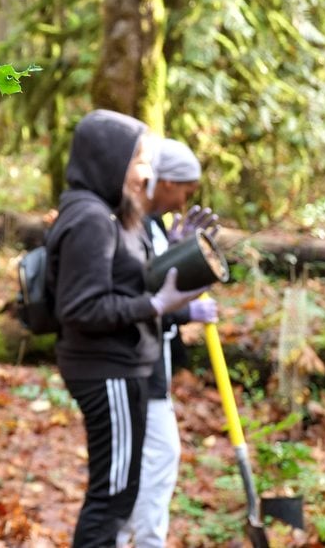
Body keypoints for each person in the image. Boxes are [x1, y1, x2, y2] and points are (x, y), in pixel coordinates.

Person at [46, 111, 208, 547]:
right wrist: (154, 305)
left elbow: (133, 277)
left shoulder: (114, 215)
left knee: (122, 492)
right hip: (106, 370)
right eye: (139, 159)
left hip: (126, 367)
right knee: (112, 497)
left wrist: (177, 256)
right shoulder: (90, 219)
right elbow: (82, 307)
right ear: (110, 158)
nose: (146, 173)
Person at [118, 139, 219, 547]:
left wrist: (180, 254)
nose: (184, 200)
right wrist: (182, 312)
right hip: (136, 365)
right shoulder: (129, 221)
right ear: (167, 181)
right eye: (185, 190)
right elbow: (138, 294)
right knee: (157, 459)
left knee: (142, 464)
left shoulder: (154, 224)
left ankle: (125, 537)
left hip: (151, 363)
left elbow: (158, 283)